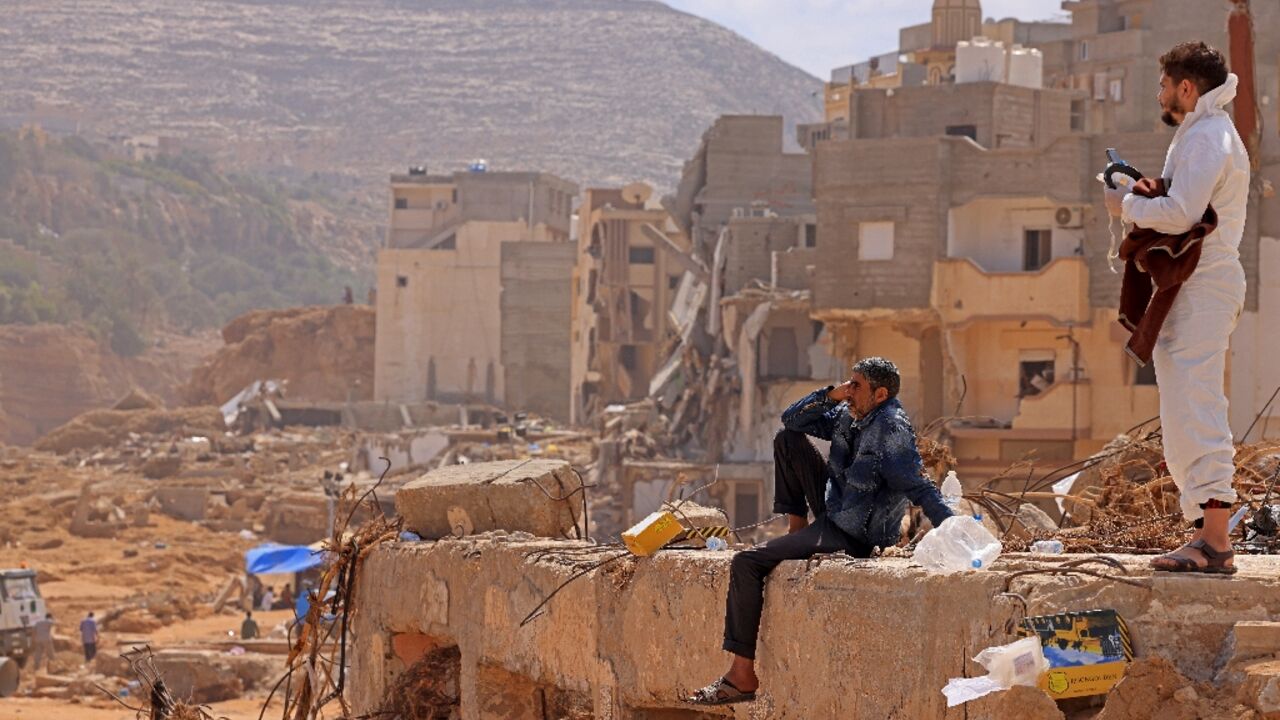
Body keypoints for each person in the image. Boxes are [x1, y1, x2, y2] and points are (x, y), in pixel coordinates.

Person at [686, 357, 954, 705]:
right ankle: (796, 529)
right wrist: (829, 396)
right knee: (787, 439)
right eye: (849, 383)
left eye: (857, 386)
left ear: (881, 394)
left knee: (747, 563)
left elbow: (920, 488)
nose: (849, 390)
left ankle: (741, 676)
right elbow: (792, 419)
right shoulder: (849, 413)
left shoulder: (892, 431)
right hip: (835, 510)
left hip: (857, 534)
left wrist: (956, 532)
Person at [1103, 42, 1249, 574]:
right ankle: (1204, 536)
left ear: (1187, 88)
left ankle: (1215, 541)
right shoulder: (1201, 134)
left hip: (1206, 284)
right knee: (1182, 409)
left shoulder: (1210, 136)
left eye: (1164, 85)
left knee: (1197, 403)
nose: (1160, 94)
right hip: (1189, 288)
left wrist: (1127, 204)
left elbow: (1184, 211)